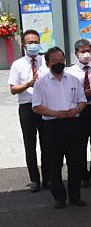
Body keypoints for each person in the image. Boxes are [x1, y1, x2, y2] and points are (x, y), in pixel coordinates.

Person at [32, 47, 87, 209]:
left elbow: (82, 101)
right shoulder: (41, 84)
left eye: (61, 60)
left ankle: (75, 196)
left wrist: (76, 110)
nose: (59, 63)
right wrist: (55, 113)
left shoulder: (74, 80)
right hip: (52, 125)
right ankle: (59, 197)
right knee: (55, 163)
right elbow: (36, 107)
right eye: (55, 61)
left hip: (73, 124)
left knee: (75, 162)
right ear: (48, 64)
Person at [8, 29, 49, 192]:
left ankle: (48, 178)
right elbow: (13, 89)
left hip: (45, 106)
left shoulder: (46, 61)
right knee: (30, 144)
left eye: (36, 42)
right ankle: (35, 180)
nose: (34, 45)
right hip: (27, 107)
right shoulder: (17, 65)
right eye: (30, 42)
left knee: (47, 144)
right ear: (24, 45)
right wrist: (27, 84)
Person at [66, 39, 91, 186]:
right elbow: (69, 93)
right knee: (80, 145)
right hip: (80, 110)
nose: (86, 54)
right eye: (83, 51)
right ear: (76, 53)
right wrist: (83, 94)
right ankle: (83, 176)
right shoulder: (70, 72)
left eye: (89, 50)